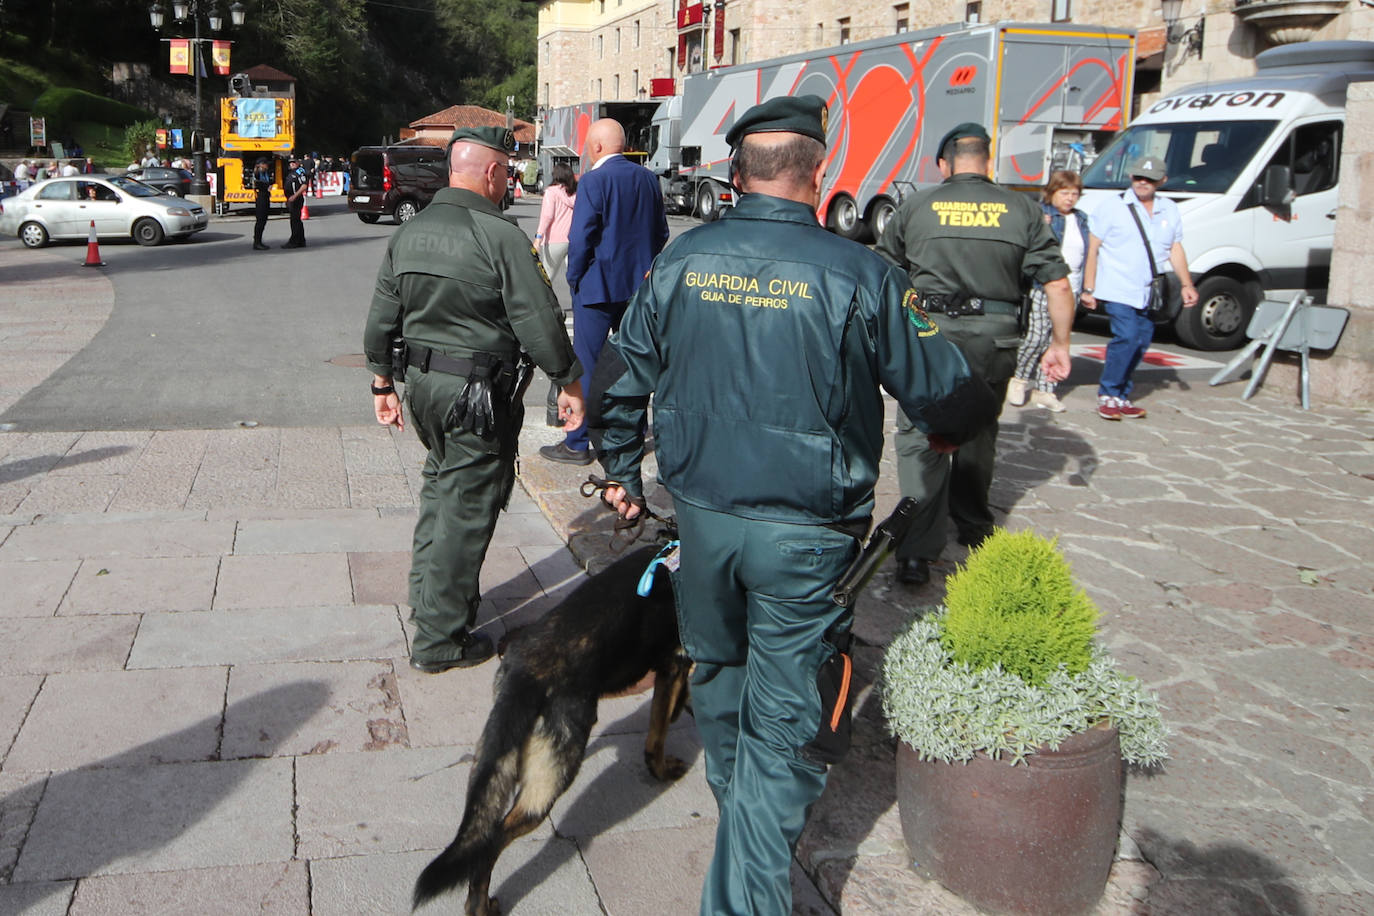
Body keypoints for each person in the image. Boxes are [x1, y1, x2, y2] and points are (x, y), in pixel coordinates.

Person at [597, 96, 998, 916]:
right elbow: (953, 402)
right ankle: (748, 891)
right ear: (820, 175)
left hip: (705, 526)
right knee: (784, 731)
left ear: (736, 175)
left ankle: (741, 851)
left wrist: (618, 473)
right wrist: (945, 439)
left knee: (721, 685)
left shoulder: (678, 263)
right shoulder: (862, 273)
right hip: (807, 538)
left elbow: (615, 377)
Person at [363, 126, 586, 673]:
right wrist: (571, 381)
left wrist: (381, 384)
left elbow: (379, 323)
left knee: (441, 487)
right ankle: (440, 640)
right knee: (466, 507)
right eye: (507, 172)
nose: (510, 181)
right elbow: (541, 323)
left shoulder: (408, 234)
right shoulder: (501, 237)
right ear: (490, 173)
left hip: (424, 390)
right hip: (477, 396)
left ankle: (429, 601)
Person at [875, 122, 1074, 587]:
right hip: (995, 339)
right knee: (979, 431)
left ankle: (916, 553)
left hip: (931, 336)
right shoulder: (1022, 209)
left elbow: (883, 273)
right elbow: (1058, 284)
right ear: (987, 161)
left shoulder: (916, 206)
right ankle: (974, 525)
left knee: (919, 437)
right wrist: (1060, 346)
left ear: (944, 164)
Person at [538, 117, 668, 466]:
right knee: (632, 364)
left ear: (596, 147)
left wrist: (575, 277)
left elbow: (581, 238)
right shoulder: (648, 179)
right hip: (637, 289)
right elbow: (661, 232)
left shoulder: (594, 181)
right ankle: (632, 435)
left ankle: (578, 442)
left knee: (585, 365)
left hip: (596, 286)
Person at [1080, 157, 1198, 420]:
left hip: (1150, 290)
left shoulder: (1169, 209)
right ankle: (1107, 393)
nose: (1143, 182)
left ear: (1162, 181)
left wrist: (1187, 284)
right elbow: (1093, 249)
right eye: (1138, 177)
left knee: (1142, 341)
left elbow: (1174, 248)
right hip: (1117, 286)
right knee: (1127, 336)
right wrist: (1088, 288)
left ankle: (1122, 394)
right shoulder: (1112, 207)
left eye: (1150, 178)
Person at [1008, 170, 1090, 413]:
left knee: (1057, 340)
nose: (1070, 198)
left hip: (1071, 288)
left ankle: (1045, 389)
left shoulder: (1082, 219)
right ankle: (1019, 378)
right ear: (1052, 192)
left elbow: (1089, 252)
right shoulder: (1043, 215)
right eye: (1064, 193)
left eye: (1074, 194)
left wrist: (1087, 288)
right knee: (1035, 336)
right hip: (1043, 286)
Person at [535, 162, 577, 278]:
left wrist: (538, 238)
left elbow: (547, 216)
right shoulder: (575, 193)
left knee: (547, 277)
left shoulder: (551, 192)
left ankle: (544, 297)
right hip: (573, 240)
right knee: (574, 277)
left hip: (554, 240)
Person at [281, 155, 308, 249]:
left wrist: (295, 196)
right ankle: (301, 240)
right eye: (290, 163)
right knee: (296, 220)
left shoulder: (299, 172)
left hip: (296, 199)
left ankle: (294, 241)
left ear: (298, 163)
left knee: (295, 221)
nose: (292, 164)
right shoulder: (290, 172)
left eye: (294, 162)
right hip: (291, 199)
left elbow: (304, 185)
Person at [251, 157, 274, 251]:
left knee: (264, 219)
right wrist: (266, 186)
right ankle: (257, 242)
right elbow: (258, 184)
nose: (267, 165)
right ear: (261, 164)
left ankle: (259, 240)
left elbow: (269, 183)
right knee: (260, 220)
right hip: (260, 197)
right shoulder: (257, 173)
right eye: (265, 164)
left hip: (265, 196)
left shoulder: (265, 173)